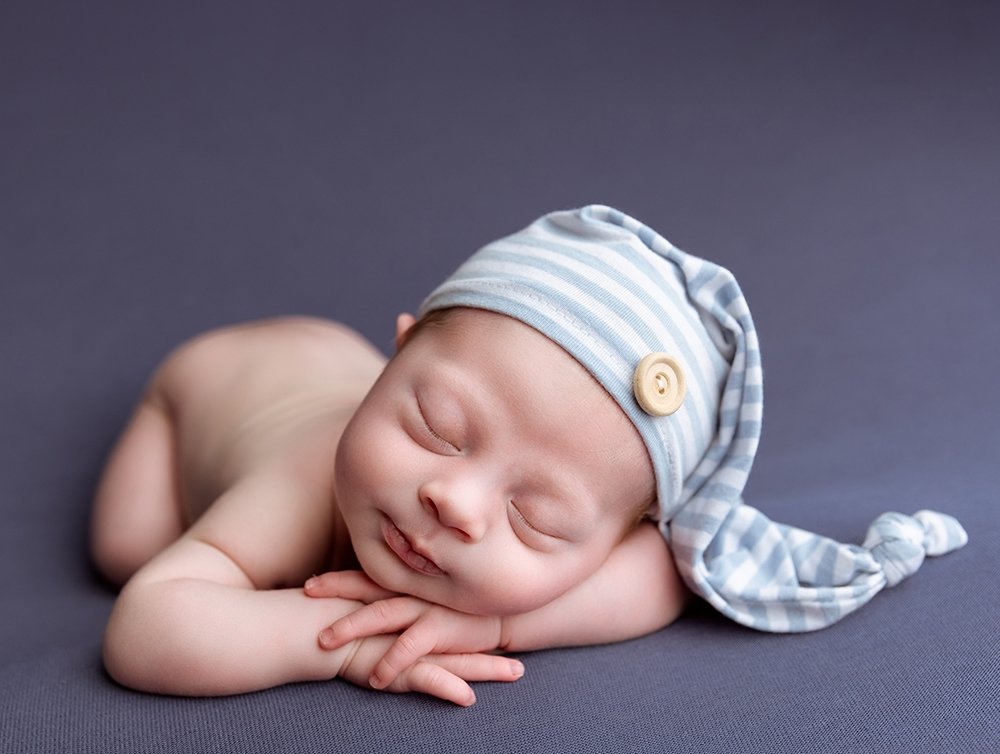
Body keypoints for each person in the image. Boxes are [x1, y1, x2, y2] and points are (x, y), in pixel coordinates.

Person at [94, 205, 967, 706]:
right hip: (207, 384)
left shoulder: (629, 534)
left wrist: (502, 623)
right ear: (396, 358)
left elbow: (665, 574)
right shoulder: (302, 479)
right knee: (128, 550)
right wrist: (340, 645)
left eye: (534, 516)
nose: (456, 502)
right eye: (436, 426)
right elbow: (148, 627)